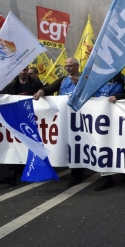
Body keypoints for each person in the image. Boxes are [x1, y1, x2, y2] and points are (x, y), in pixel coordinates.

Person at [33, 57, 86, 186]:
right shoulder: (63, 80)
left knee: (77, 146)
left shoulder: (85, 79)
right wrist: (40, 93)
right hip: (65, 118)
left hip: (81, 119)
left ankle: (76, 174)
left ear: (77, 66)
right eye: (66, 66)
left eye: (70, 66)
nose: (67, 68)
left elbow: (93, 92)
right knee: (65, 144)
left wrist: (81, 83)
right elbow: (49, 88)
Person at [0, 66, 44, 186]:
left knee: (31, 146)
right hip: (15, 120)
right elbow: (1, 99)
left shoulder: (37, 84)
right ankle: (11, 174)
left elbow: (47, 98)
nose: (23, 72)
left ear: (28, 71)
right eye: (21, 70)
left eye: (25, 69)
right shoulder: (11, 86)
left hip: (31, 120)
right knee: (13, 145)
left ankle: (32, 170)